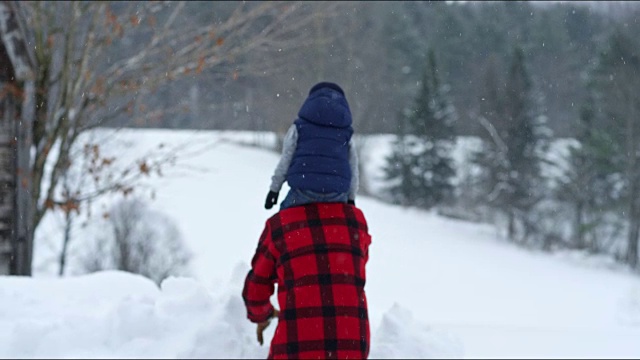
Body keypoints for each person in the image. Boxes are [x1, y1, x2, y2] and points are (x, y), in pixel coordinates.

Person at [242, 202, 372, 359]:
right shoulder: (355, 221)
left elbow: (256, 286)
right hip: (351, 348)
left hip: (294, 348)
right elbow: (358, 264)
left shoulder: (281, 225)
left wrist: (263, 316)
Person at [264, 82, 359, 211]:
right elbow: (353, 166)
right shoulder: (346, 133)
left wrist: (274, 190)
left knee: (284, 224)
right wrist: (351, 198)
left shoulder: (299, 127)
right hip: (336, 193)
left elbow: (286, 159)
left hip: (303, 189)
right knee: (334, 225)